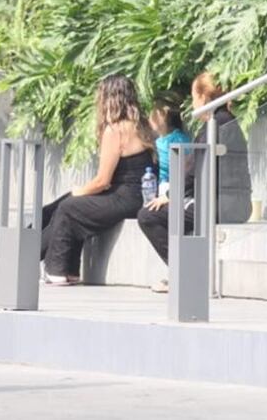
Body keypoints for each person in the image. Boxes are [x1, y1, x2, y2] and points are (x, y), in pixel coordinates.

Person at [137, 72, 252, 292]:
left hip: (218, 206)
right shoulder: (230, 122)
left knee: (148, 215)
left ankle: (185, 274)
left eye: (194, 97)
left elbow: (193, 172)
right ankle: (186, 271)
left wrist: (169, 196)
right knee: (178, 214)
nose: (193, 103)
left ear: (204, 98)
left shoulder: (213, 128)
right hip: (238, 203)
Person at [40, 75, 156, 284]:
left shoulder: (116, 130)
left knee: (68, 206)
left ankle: (55, 268)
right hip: (138, 195)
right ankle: (67, 270)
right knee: (60, 206)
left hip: (125, 198)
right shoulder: (141, 125)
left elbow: (103, 180)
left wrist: (80, 191)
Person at [150, 93, 191, 197]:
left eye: (153, 111)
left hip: (169, 189)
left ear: (163, 114)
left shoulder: (177, 139)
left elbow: (185, 169)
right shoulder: (160, 140)